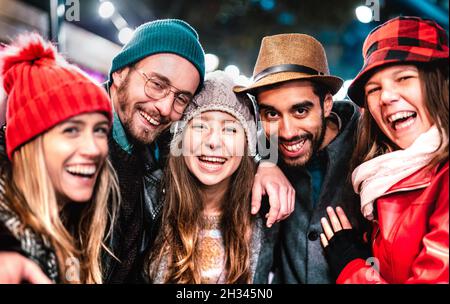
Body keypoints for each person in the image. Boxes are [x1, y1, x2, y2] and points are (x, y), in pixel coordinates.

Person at [320, 16, 449, 284]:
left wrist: (350, 266)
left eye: (403, 78)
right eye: (374, 88)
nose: (386, 97)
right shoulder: (384, 175)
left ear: (441, 83)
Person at [235, 33, 368, 283]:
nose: (287, 132)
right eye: (272, 114)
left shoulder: (368, 148)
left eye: (300, 110)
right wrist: (264, 162)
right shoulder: (266, 150)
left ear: (327, 104)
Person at [0, 33, 119, 283]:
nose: (94, 149)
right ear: (29, 143)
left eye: (99, 130)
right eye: (71, 130)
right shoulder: (10, 249)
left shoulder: (79, 222)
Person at [146, 70, 272, 283]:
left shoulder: (268, 214)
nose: (213, 141)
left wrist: (270, 166)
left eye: (230, 130)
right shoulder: (148, 202)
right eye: (200, 126)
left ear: (246, 143)